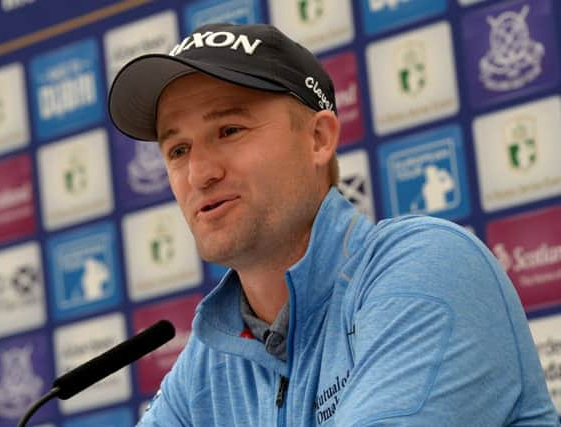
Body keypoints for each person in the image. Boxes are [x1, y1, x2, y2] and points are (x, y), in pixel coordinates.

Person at [109, 23, 559, 426]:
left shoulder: (429, 265)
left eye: (229, 130)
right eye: (178, 150)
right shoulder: (206, 367)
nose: (199, 173)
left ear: (319, 139)